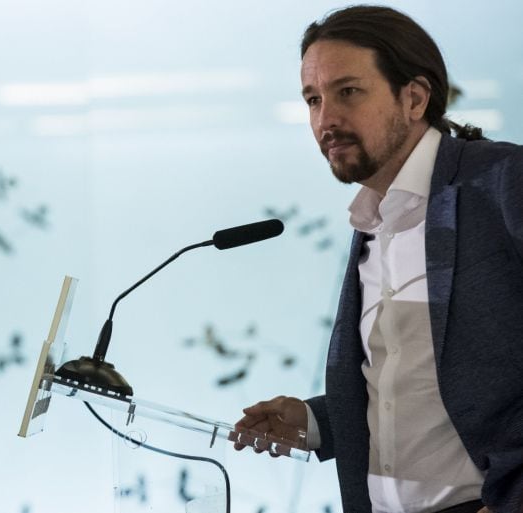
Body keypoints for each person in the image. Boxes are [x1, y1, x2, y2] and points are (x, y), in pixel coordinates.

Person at [232, 6, 523, 513]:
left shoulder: (503, 182)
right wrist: (318, 421)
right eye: (313, 99)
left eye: (348, 92)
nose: (326, 120)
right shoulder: (372, 223)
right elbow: (428, 384)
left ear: (414, 97)